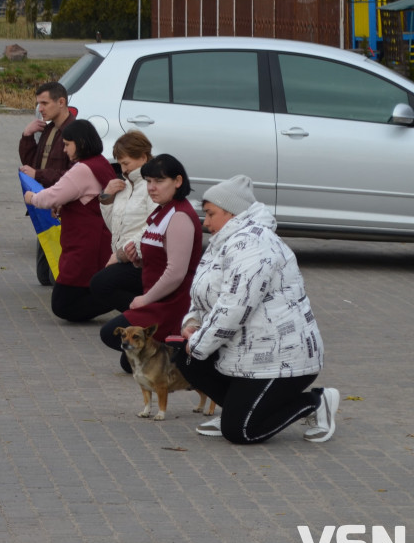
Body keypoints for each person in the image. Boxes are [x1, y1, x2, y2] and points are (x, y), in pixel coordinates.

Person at [176, 175, 340, 444]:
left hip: (280, 360)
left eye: (210, 214)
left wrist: (199, 343)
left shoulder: (254, 245)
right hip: (244, 354)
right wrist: (193, 321)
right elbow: (203, 291)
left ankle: (314, 402)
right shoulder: (224, 240)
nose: (205, 222)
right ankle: (240, 408)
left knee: (240, 431)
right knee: (188, 359)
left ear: (232, 212)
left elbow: (234, 307)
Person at [94, 154, 201, 372]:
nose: (152, 187)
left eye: (159, 181)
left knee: (111, 335)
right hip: (159, 298)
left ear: (178, 181)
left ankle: (176, 347)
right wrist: (138, 262)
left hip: (171, 304)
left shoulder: (179, 216)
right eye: (149, 181)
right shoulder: (163, 210)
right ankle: (167, 351)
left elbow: (176, 273)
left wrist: (144, 300)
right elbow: (161, 259)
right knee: (130, 360)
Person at [22, 119, 116, 320]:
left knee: (63, 304)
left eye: (67, 144)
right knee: (76, 294)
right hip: (93, 240)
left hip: (84, 244)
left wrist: (32, 198)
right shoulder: (100, 163)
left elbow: (52, 196)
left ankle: (126, 302)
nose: (64, 150)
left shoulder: (82, 169)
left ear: (80, 143)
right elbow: (77, 196)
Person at [86, 131, 156, 319]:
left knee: (101, 284)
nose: (123, 169)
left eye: (126, 163)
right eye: (120, 164)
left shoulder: (152, 187)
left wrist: (122, 254)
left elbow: (153, 228)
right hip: (125, 258)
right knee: (101, 284)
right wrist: (106, 198)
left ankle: (147, 317)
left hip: (141, 260)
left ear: (143, 157)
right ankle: (143, 315)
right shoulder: (125, 186)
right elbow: (114, 228)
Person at [18, 81, 76, 283]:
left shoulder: (74, 132)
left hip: (61, 209)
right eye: (38, 103)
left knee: (55, 275)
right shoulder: (49, 129)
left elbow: (72, 175)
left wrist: (38, 175)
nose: (40, 109)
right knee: (43, 276)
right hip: (44, 204)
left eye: (44, 103)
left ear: (61, 102)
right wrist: (27, 136)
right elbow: (31, 163)